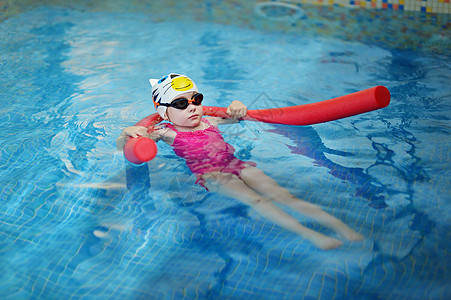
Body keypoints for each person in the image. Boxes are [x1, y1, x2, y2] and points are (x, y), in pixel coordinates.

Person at [116, 73, 364, 250]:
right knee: (256, 200)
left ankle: (341, 227)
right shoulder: (167, 132)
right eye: (181, 103)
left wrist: (237, 106)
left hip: (236, 164)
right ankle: (311, 235)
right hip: (211, 174)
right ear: (163, 111)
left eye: (196, 99)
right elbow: (127, 146)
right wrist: (129, 133)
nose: (192, 107)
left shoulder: (212, 121)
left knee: (286, 196)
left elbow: (241, 115)